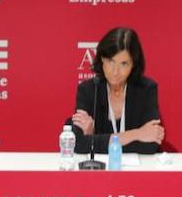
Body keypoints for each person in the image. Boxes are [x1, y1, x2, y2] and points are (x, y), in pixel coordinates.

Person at [65, 26, 164, 155]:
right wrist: (137, 134)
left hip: (139, 171)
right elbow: (78, 144)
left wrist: (94, 139)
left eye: (124, 64)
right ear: (102, 59)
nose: (115, 72)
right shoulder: (88, 90)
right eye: (111, 61)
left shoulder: (146, 89)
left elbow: (150, 146)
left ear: (133, 64)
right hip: (99, 172)